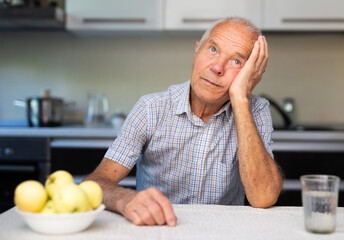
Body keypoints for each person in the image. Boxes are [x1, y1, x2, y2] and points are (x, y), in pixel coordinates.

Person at [85, 17, 283, 227]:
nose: (217, 67)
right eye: (213, 49)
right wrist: (125, 199)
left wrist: (241, 99)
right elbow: (94, 184)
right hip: (158, 230)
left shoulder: (256, 110)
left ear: (250, 73)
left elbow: (263, 197)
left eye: (236, 61)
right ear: (196, 51)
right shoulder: (151, 108)